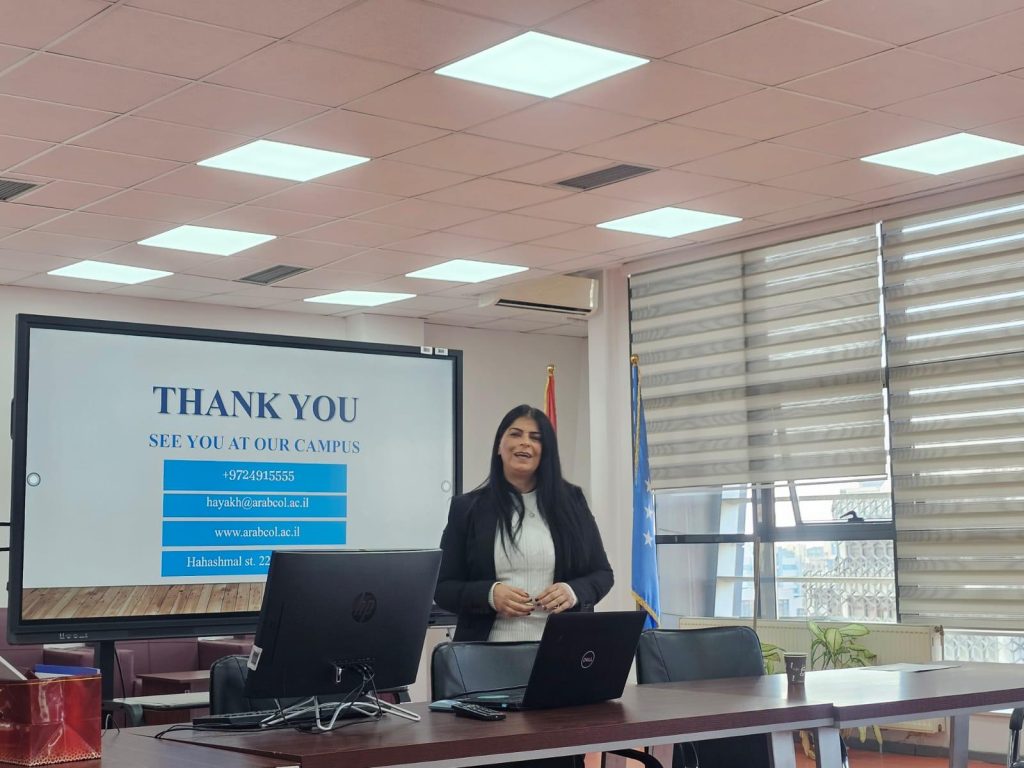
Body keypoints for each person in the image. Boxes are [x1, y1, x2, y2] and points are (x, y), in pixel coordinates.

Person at [435, 404, 613, 642]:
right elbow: (442, 587)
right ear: (499, 446)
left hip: (563, 646)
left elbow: (602, 574)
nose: (525, 443)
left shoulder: (572, 502)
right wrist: (489, 595)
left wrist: (573, 592)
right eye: (515, 434)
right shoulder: (466, 508)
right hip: (486, 651)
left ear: (545, 451)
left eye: (535, 438)